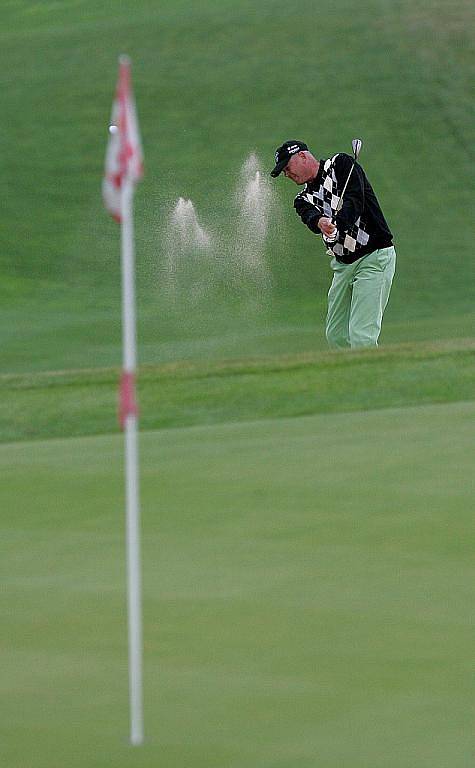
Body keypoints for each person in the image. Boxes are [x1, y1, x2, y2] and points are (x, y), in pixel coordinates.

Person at [271, 140, 396, 349]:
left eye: (287, 167)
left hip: (374, 257)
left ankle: (369, 379)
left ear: (302, 156)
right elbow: (310, 217)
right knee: (336, 335)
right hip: (343, 266)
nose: (287, 173)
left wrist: (338, 224)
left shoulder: (341, 165)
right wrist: (322, 223)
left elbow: (355, 201)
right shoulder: (302, 198)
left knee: (362, 336)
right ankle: (349, 379)